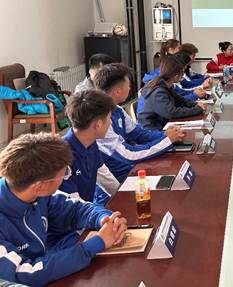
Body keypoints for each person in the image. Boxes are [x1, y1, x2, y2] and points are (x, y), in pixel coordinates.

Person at [0, 133, 127, 286]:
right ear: (39, 186)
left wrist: (104, 219)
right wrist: (95, 244)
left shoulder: (38, 194)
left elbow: (76, 209)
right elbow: (27, 274)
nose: (66, 176)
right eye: (65, 172)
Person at [93, 63, 185, 182]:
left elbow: (139, 134)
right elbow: (129, 155)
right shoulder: (100, 121)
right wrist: (166, 141)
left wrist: (165, 135)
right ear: (117, 92)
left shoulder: (118, 110)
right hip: (118, 179)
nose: (130, 88)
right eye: (128, 85)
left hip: (132, 169)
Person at [60, 90, 120, 205]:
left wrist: (127, 197)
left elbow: (106, 178)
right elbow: (75, 206)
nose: (110, 123)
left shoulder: (91, 142)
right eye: (109, 119)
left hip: (89, 210)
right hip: (76, 213)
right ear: (98, 125)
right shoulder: (61, 156)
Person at [139, 56, 206, 130]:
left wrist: (196, 104)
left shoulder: (166, 85)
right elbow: (171, 113)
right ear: (176, 76)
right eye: (182, 73)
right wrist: (197, 110)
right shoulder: (158, 92)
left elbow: (181, 100)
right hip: (153, 129)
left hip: (162, 123)